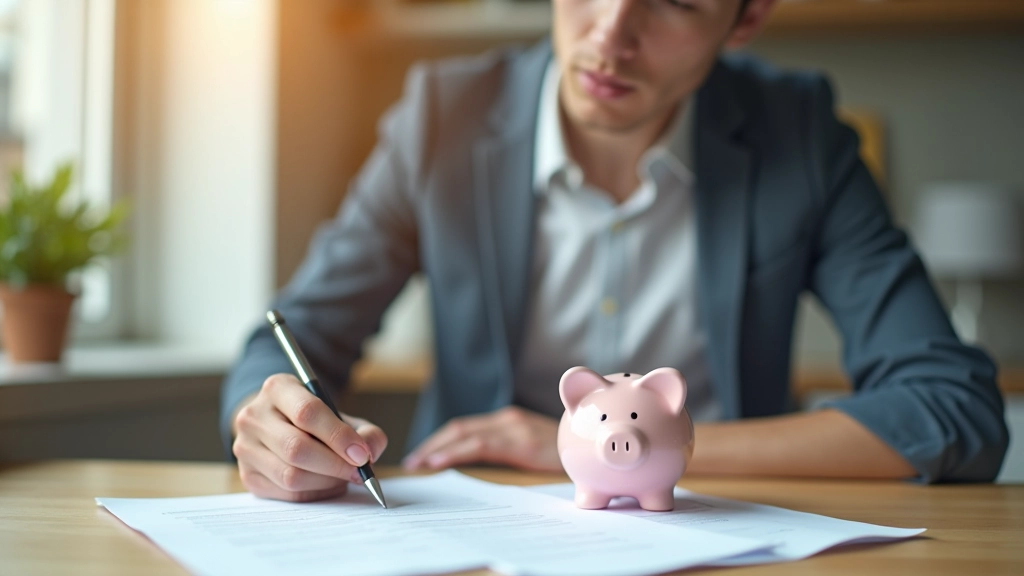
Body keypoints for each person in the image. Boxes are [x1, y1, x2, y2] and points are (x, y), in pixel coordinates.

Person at [222, 0, 1009, 502]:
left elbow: (951, 408)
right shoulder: (442, 117)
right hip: (478, 536)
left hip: (722, 539)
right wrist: (273, 422)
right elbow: (287, 340)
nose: (610, 36)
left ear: (746, 16)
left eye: (671, 2)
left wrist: (586, 447)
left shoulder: (799, 136)